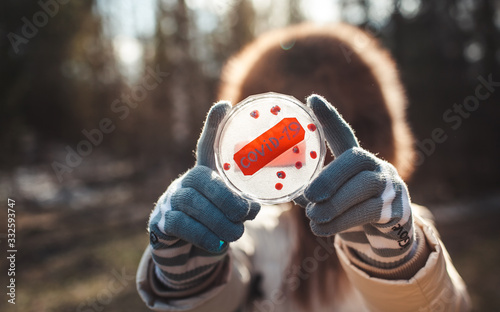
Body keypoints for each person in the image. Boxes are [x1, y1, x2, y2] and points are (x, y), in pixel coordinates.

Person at [136, 23, 471, 311]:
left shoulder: (401, 220)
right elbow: (217, 298)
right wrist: (189, 264)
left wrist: (396, 252)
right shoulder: (256, 230)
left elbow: (443, 305)